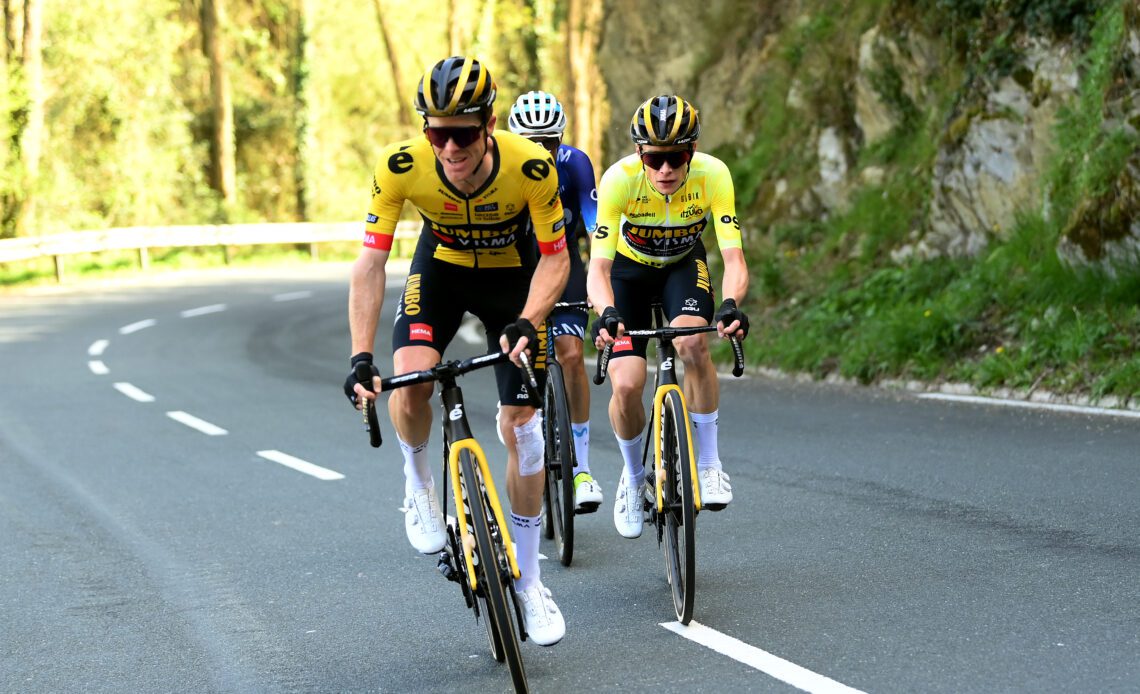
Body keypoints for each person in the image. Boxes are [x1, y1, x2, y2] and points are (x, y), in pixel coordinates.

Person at [344, 56, 570, 646]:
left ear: (490, 124)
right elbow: (370, 261)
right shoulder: (400, 167)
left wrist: (528, 318)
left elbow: (556, 257)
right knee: (410, 378)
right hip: (439, 275)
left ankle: (530, 584)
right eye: (437, 133)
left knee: (525, 430)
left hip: (512, 284)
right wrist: (359, 355)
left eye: (463, 133)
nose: (449, 147)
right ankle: (417, 484)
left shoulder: (531, 166)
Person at [585, 94, 750, 539]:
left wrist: (731, 303)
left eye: (675, 157)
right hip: (628, 271)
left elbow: (733, 258)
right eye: (654, 159)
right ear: (640, 153)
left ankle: (711, 464)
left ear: (691, 151)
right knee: (626, 381)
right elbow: (597, 268)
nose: (665, 170)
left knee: (693, 342)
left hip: (682, 265)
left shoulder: (714, 175)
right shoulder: (619, 180)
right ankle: (634, 478)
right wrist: (607, 313)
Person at [507, 90, 603, 514]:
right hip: (514, 272)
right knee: (520, 358)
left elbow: (596, 229)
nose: (540, 152)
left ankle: (581, 468)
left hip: (562, 264)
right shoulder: (501, 168)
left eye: (548, 142)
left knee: (569, 353)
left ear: (559, 139)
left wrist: (605, 292)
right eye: (530, 143)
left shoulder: (575, 164)